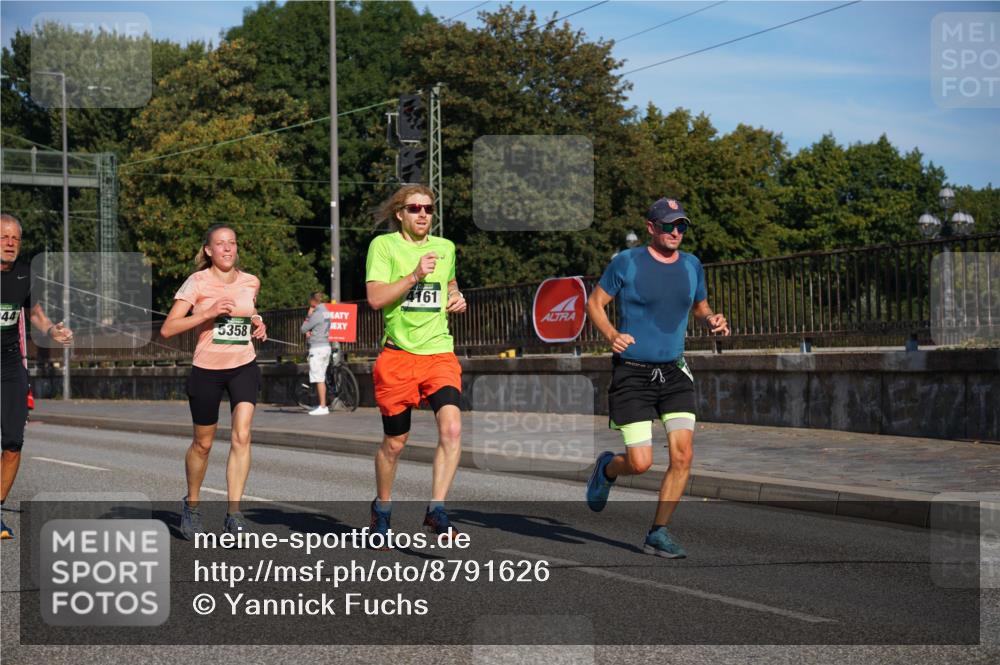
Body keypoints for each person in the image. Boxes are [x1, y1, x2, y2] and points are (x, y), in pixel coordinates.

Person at [585, 197, 729, 558]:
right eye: (668, 225)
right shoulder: (626, 262)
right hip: (632, 373)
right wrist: (611, 335)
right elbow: (594, 303)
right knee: (641, 463)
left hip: (674, 372)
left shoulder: (693, 265)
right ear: (651, 228)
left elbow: (700, 306)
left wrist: (710, 319)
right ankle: (608, 468)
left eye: (681, 226)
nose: (676, 232)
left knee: (683, 454)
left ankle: (657, 532)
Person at [365, 185, 467, 540]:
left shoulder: (445, 248)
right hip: (398, 356)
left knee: (452, 429)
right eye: (415, 209)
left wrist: (456, 296)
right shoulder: (384, 246)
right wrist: (413, 276)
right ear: (399, 214)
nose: (423, 214)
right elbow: (375, 299)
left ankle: (436, 510)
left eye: (428, 208)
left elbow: (450, 283)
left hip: (439, 352)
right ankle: (382, 508)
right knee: (395, 442)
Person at [161, 224, 267, 539]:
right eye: (220, 244)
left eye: (232, 243)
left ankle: (234, 514)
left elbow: (249, 311)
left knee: (242, 436)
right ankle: (192, 505)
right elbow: (168, 328)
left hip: (243, 365)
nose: (227, 249)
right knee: (203, 444)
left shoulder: (251, 281)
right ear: (208, 250)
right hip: (207, 369)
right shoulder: (197, 282)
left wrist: (258, 323)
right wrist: (205, 312)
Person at [1, 213, 74, 540]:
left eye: (15, 237)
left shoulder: (24, 274)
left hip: (9, 367)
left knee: (13, 443)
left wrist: (52, 330)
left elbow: (36, 314)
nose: (10, 242)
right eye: (4, 236)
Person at [301, 291, 333, 415]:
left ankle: (323, 406)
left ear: (314, 301)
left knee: (319, 378)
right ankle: (322, 404)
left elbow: (303, 329)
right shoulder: (326, 311)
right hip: (326, 346)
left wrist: (308, 316)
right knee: (322, 376)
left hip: (317, 348)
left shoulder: (317, 313)